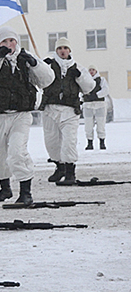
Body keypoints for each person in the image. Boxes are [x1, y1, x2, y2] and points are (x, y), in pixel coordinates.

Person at [0, 26, 54, 205]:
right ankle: (5, 188)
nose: (9, 44)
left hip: (20, 115)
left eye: (12, 41)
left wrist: (36, 64)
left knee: (17, 152)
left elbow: (47, 80)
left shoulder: (25, 59)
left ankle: (25, 192)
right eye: (4, 41)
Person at [40, 38, 95, 185]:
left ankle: (70, 172)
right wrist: (39, 67)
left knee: (69, 142)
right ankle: (60, 167)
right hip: (50, 109)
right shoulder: (48, 65)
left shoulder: (78, 68)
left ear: (69, 50)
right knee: (51, 141)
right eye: (59, 48)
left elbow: (89, 87)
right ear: (56, 51)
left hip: (70, 110)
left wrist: (80, 76)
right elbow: (37, 80)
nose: (62, 51)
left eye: (65, 48)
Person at [82, 65, 109, 150]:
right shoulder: (84, 80)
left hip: (100, 105)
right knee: (88, 125)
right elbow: (81, 90)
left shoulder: (101, 80)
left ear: (96, 71)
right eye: (90, 70)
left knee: (101, 124)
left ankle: (102, 142)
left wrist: (96, 95)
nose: (91, 72)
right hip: (88, 106)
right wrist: (83, 98)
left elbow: (106, 90)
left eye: (93, 70)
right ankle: (89, 143)